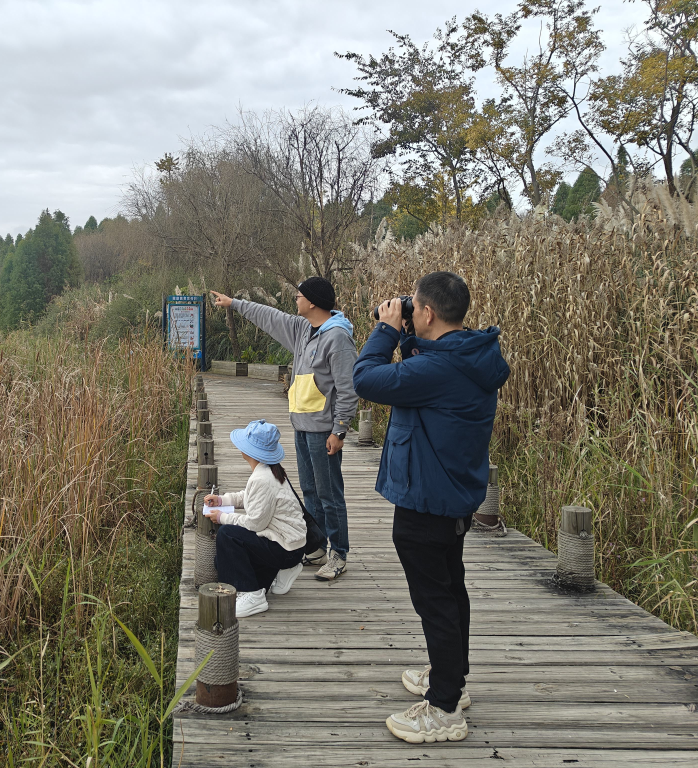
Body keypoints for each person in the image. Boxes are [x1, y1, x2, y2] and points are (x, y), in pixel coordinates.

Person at [352, 271, 509, 744]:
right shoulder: (466, 356)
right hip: (451, 496)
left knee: (435, 603)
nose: (406, 311)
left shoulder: (437, 371)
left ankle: (443, 708)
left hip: (427, 501)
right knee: (450, 591)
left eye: (412, 307)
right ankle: (451, 678)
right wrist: (405, 336)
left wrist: (383, 331)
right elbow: (421, 371)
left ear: (428, 313)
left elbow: (366, 379)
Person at [210, 277, 357, 582]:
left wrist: (339, 430)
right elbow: (269, 316)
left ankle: (338, 553)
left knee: (330, 494)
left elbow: (348, 388)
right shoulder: (303, 329)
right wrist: (234, 304)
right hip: (301, 425)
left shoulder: (338, 338)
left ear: (313, 301)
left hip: (324, 429)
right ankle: (316, 545)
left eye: (299, 295)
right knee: (310, 491)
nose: (295, 299)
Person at [203, 419, 307, 617]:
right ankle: (278, 571)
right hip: (290, 544)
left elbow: (254, 523)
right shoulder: (268, 471)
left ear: (249, 451)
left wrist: (224, 517)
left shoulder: (262, 478)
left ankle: (254, 596)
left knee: (228, 536)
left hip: (285, 547)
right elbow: (248, 496)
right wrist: (222, 499)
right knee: (222, 561)